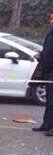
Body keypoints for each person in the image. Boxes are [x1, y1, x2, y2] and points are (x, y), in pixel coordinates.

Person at [32, 8, 53, 136]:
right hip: (48, 72)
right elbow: (47, 51)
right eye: (51, 19)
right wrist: (40, 55)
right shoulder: (50, 34)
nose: (52, 21)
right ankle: (46, 124)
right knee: (49, 100)